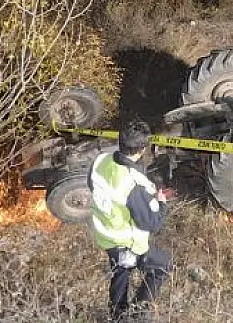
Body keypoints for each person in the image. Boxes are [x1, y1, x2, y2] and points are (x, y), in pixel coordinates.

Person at [88, 119, 172, 321]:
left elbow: (93, 186)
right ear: (142, 149)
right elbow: (151, 222)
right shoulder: (132, 182)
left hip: (104, 234)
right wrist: (162, 204)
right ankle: (140, 311)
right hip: (127, 243)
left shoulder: (101, 161)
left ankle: (117, 316)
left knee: (121, 274)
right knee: (163, 266)